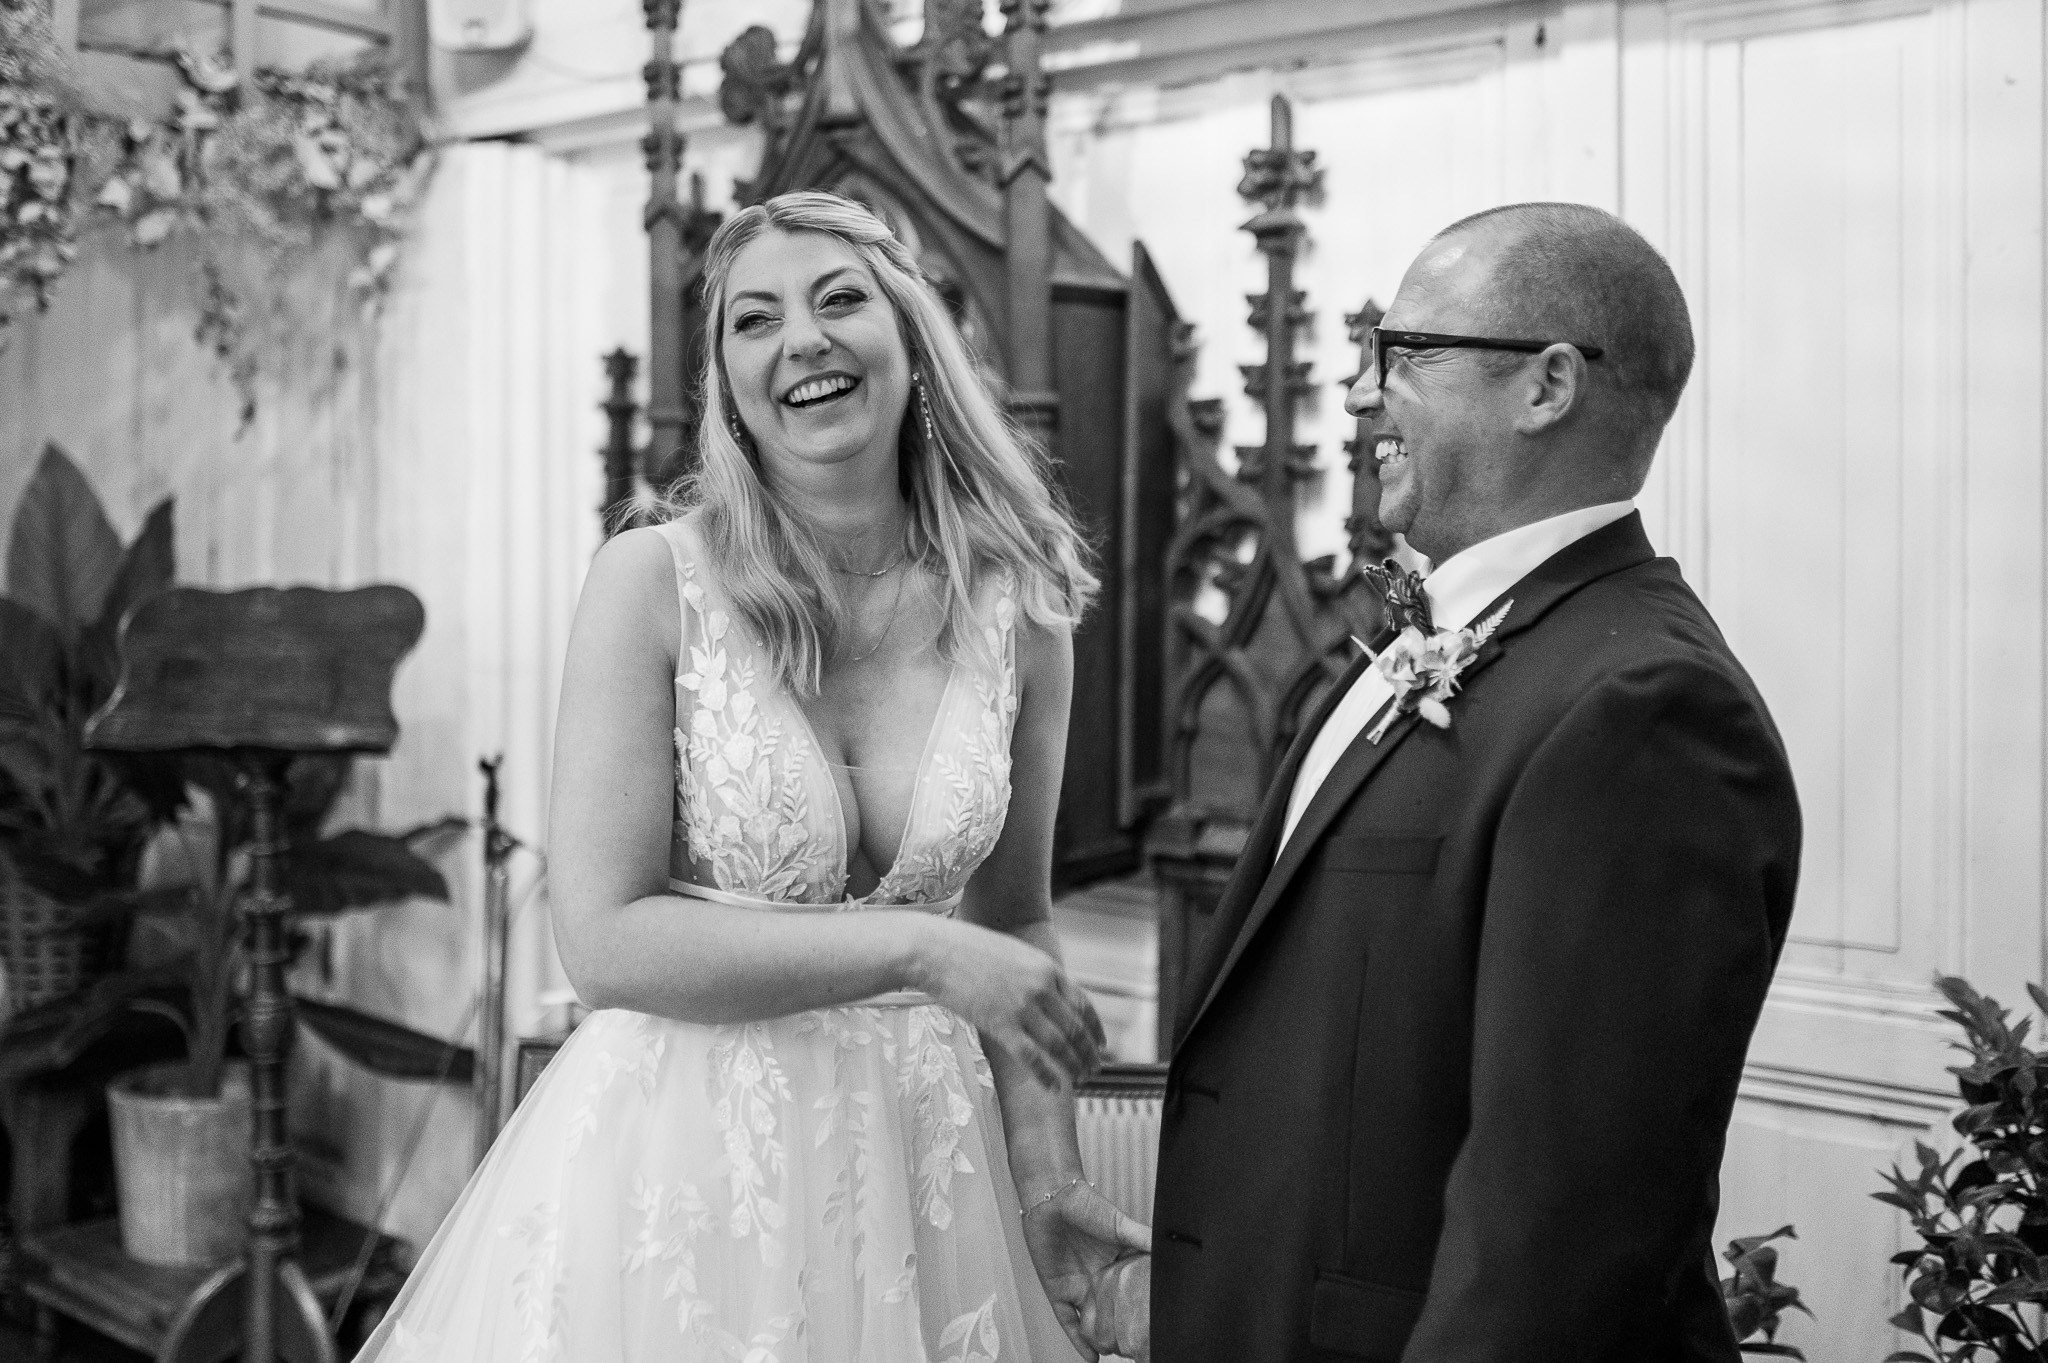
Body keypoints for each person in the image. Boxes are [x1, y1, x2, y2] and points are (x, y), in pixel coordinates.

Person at [352, 189, 1148, 1363]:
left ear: (910, 336)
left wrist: (1043, 1171)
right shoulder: (650, 582)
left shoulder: (1017, 606)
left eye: (839, 300)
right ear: (726, 383)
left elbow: (1013, 918)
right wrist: (915, 949)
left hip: (930, 1170)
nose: (802, 341)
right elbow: (604, 940)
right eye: (755, 320)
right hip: (684, 1168)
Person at [1127, 203, 1803, 1363]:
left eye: (1404, 353)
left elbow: (1560, 1234)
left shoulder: (1645, 711)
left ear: (1547, 384)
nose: (1359, 393)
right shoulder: (1450, 635)